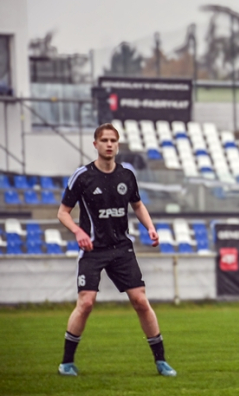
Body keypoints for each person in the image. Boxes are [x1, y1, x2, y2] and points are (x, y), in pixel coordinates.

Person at [57, 123, 176, 377]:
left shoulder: (127, 175)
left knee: (140, 301)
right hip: (93, 249)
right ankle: (66, 363)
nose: (109, 144)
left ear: (118, 144)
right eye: (104, 140)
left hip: (121, 247)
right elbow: (63, 213)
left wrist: (150, 227)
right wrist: (78, 232)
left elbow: (138, 205)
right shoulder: (83, 176)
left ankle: (161, 361)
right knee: (86, 303)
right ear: (95, 144)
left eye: (113, 140)